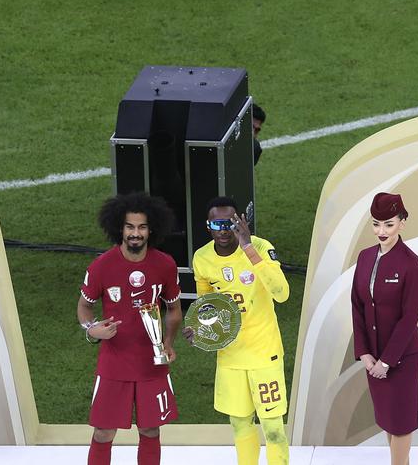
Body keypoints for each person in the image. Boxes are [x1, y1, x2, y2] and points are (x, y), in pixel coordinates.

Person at [77, 193, 182, 465]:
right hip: (114, 364)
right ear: (119, 228)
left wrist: (168, 343)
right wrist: (92, 330)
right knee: (103, 431)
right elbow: (84, 308)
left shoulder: (166, 265)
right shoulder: (101, 267)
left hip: (152, 363)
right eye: (130, 227)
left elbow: (173, 309)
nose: (136, 233)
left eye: (142, 227)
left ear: (151, 229)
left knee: (150, 429)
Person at [184, 196, 290, 465]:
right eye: (216, 224)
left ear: (241, 222)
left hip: (264, 353)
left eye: (229, 223)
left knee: (273, 428)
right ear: (208, 226)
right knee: (240, 426)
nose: (223, 230)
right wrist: (199, 330)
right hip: (230, 358)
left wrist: (248, 248)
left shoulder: (261, 247)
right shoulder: (202, 258)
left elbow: (282, 293)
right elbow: (205, 307)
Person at [350, 192, 418, 465]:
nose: (381, 231)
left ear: (402, 223)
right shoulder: (365, 257)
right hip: (373, 358)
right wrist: (364, 352)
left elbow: (409, 319)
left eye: (389, 224)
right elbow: (357, 307)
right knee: (387, 420)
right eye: (375, 224)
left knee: (401, 423)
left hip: (402, 359)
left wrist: (386, 361)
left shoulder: (412, 265)